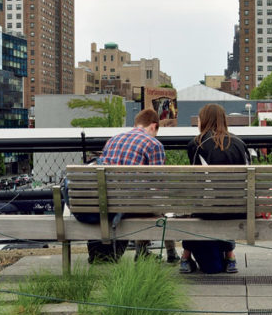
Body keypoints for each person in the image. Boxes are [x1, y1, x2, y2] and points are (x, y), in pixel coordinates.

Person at [99, 108, 179, 263]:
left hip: (110, 203)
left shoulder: (113, 140)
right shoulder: (153, 144)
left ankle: (142, 252)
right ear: (153, 126)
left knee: (144, 198)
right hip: (136, 205)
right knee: (161, 205)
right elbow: (159, 186)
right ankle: (171, 253)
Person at [179, 103, 248, 274]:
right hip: (239, 208)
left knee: (195, 207)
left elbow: (197, 183)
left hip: (207, 210)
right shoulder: (240, 143)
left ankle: (185, 257)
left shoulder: (196, 144)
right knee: (226, 202)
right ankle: (230, 256)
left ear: (204, 121)